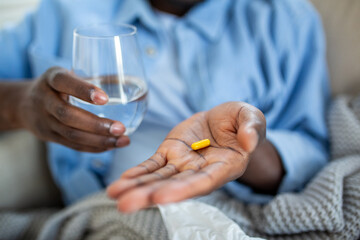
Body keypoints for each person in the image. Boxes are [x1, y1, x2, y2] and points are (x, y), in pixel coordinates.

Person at [0, 0, 329, 210]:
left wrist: (244, 148)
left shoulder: (287, 19)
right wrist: (21, 105)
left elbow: (312, 153)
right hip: (102, 214)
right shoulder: (66, 10)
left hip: (235, 214)